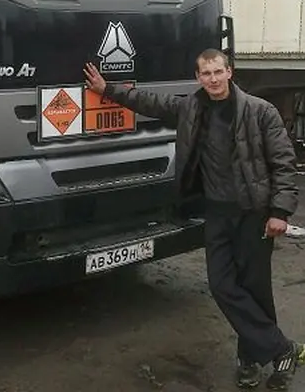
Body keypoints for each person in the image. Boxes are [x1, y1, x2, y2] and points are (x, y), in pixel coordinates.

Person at [84, 49, 304, 390]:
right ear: (198, 77)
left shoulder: (260, 111)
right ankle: (282, 349)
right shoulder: (191, 108)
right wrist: (107, 89)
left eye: (218, 72)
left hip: (254, 214)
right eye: (206, 73)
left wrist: (280, 212)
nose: (213, 79)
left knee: (254, 289)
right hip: (217, 213)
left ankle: (250, 361)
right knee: (221, 285)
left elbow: (283, 163)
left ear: (229, 72)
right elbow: (150, 102)